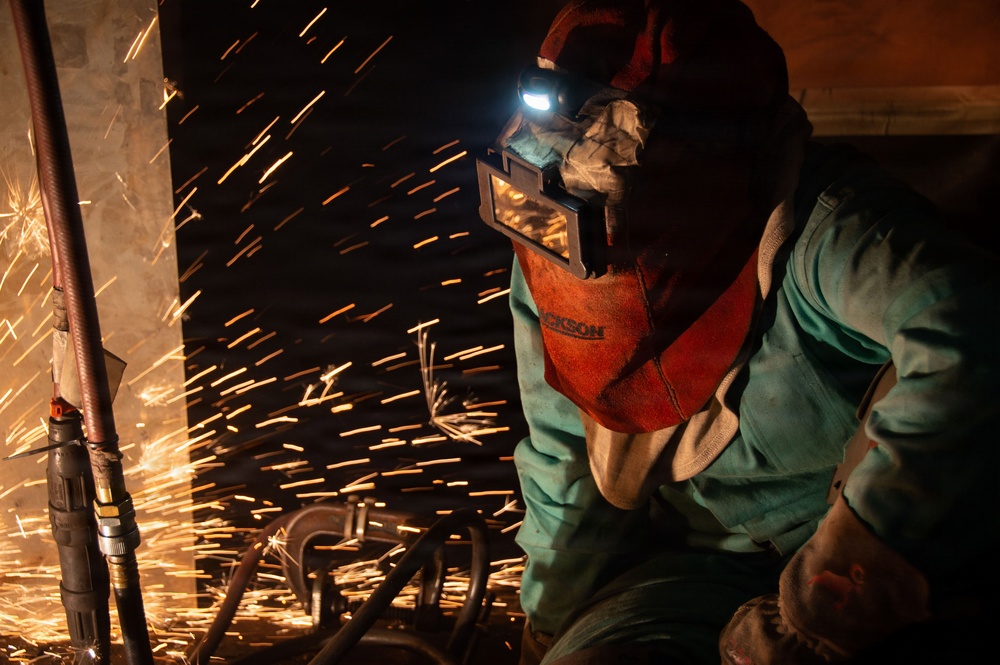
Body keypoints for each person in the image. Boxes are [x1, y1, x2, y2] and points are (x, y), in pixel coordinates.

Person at [474, 0, 1000, 663]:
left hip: (870, 573)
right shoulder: (555, 238)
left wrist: (833, 605)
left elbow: (972, 338)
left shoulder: (828, 229)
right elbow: (562, 458)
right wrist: (548, 628)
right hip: (688, 572)